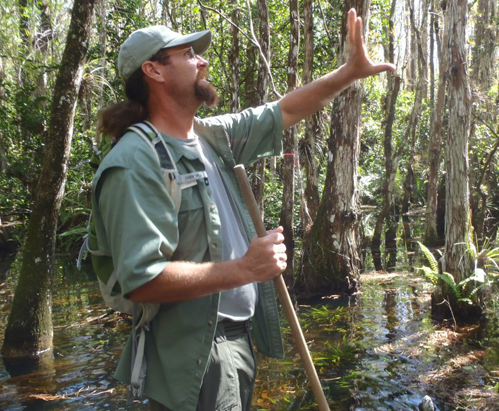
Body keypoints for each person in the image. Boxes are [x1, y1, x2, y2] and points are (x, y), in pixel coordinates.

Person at [93, 8, 394, 411]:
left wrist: (348, 72)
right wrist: (244, 270)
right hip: (197, 352)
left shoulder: (211, 138)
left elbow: (283, 111)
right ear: (155, 71)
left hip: (234, 341)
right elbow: (141, 280)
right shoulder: (135, 162)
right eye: (187, 55)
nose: (202, 61)